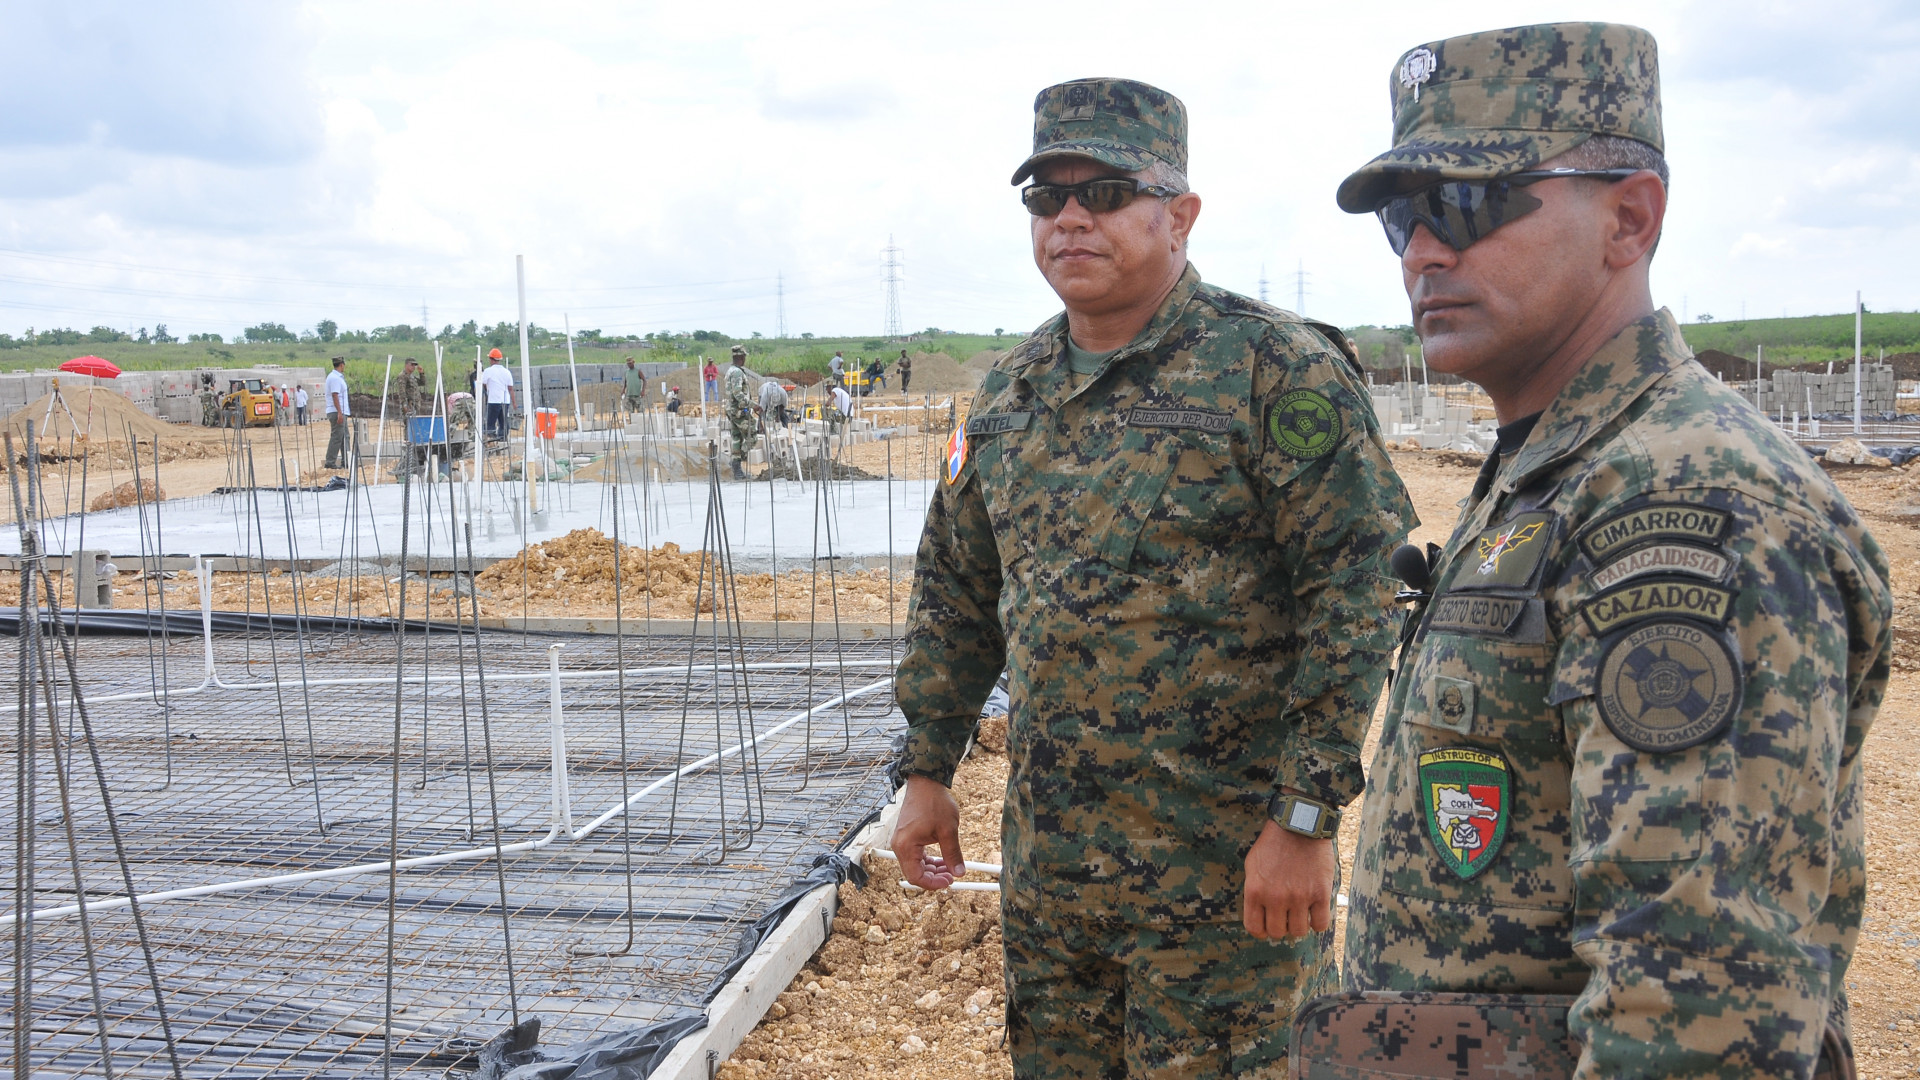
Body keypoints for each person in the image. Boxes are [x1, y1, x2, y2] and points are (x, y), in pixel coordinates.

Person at [1315, 24, 1891, 1080]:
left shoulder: (1687, 502)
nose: (1423, 251)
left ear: (1630, 219)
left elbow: (1692, 1018)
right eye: (1404, 216)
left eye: (1469, 203)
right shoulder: (1558, 466)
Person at [890, 77, 1413, 1078]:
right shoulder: (1010, 394)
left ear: (1180, 215)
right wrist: (926, 771)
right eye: (1047, 197)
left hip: (1228, 888)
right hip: (1055, 887)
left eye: (1104, 192)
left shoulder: (1273, 370)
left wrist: (1305, 817)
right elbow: (956, 595)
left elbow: (1354, 597)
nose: (1070, 219)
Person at [724, 345, 756, 480]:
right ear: (741, 357)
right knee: (752, 435)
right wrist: (754, 405)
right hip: (739, 411)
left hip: (732, 410)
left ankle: (737, 471)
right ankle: (736, 462)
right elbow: (738, 393)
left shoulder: (730, 371)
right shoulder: (737, 372)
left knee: (737, 438)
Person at [477, 348, 514, 441]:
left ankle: (491, 438)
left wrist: (488, 389)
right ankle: (502, 438)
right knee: (503, 421)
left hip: (493, 400)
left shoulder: (488, 371)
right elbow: (510, 388)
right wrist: (514, 402)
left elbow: (483, 383)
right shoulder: (507, 372)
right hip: (505, 401)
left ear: (491, 359)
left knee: (490, 421)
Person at [322, 357, 351, 469]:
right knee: (337, 437)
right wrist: (339, 412)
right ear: (342, 365)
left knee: (345, 436)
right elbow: (335, 395)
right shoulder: (334, 378)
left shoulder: (337, 377)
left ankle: (346, 461)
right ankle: (330, 462)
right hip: (337, 412)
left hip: (341, 411)